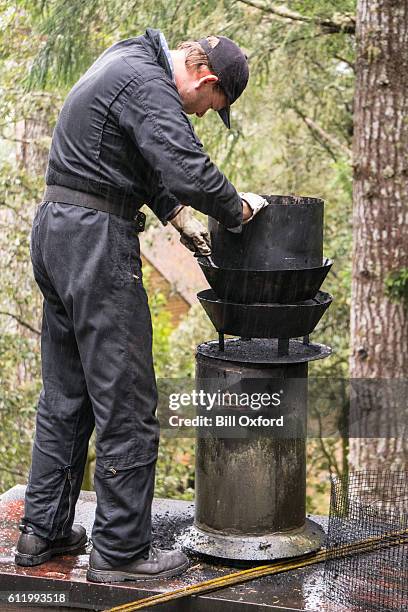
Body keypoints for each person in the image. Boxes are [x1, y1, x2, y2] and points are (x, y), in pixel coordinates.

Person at [15, 28, 268, 582]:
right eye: (210, 106)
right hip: (95, 243)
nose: (202, 116)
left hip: (57, 230)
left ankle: (43, 531)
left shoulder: (127, 61)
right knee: (128, 402)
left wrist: (175, 215)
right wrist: (238, 209)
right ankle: (122, 553)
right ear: (205, 79)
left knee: (67, 395)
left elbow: (136, 155)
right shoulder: (148, 82)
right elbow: (185, 165)